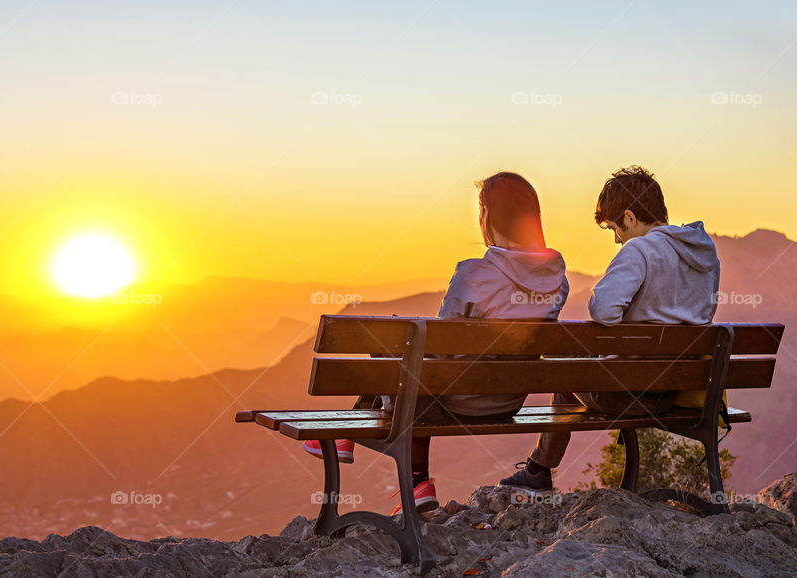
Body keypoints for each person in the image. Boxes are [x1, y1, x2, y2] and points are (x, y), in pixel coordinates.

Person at [303, 172, 570, 514]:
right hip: (509, 401)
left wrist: (403, 340)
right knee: (412, 354)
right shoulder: (557, 281)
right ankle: (369, 451)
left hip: (458, 401)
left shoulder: (474, 275)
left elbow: (440, 353)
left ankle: (413, 480)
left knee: (403, 350)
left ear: (486, 215)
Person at [499, 165, 721, 493]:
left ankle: (538, 471)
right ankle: (537, 470)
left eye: (615, 228)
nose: (617, 239)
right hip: (675, 393)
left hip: (627, 392)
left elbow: (602, 310)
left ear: (630, 217)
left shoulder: (641, 250)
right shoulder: (704, 254)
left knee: (563, 372)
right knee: (576, 371)